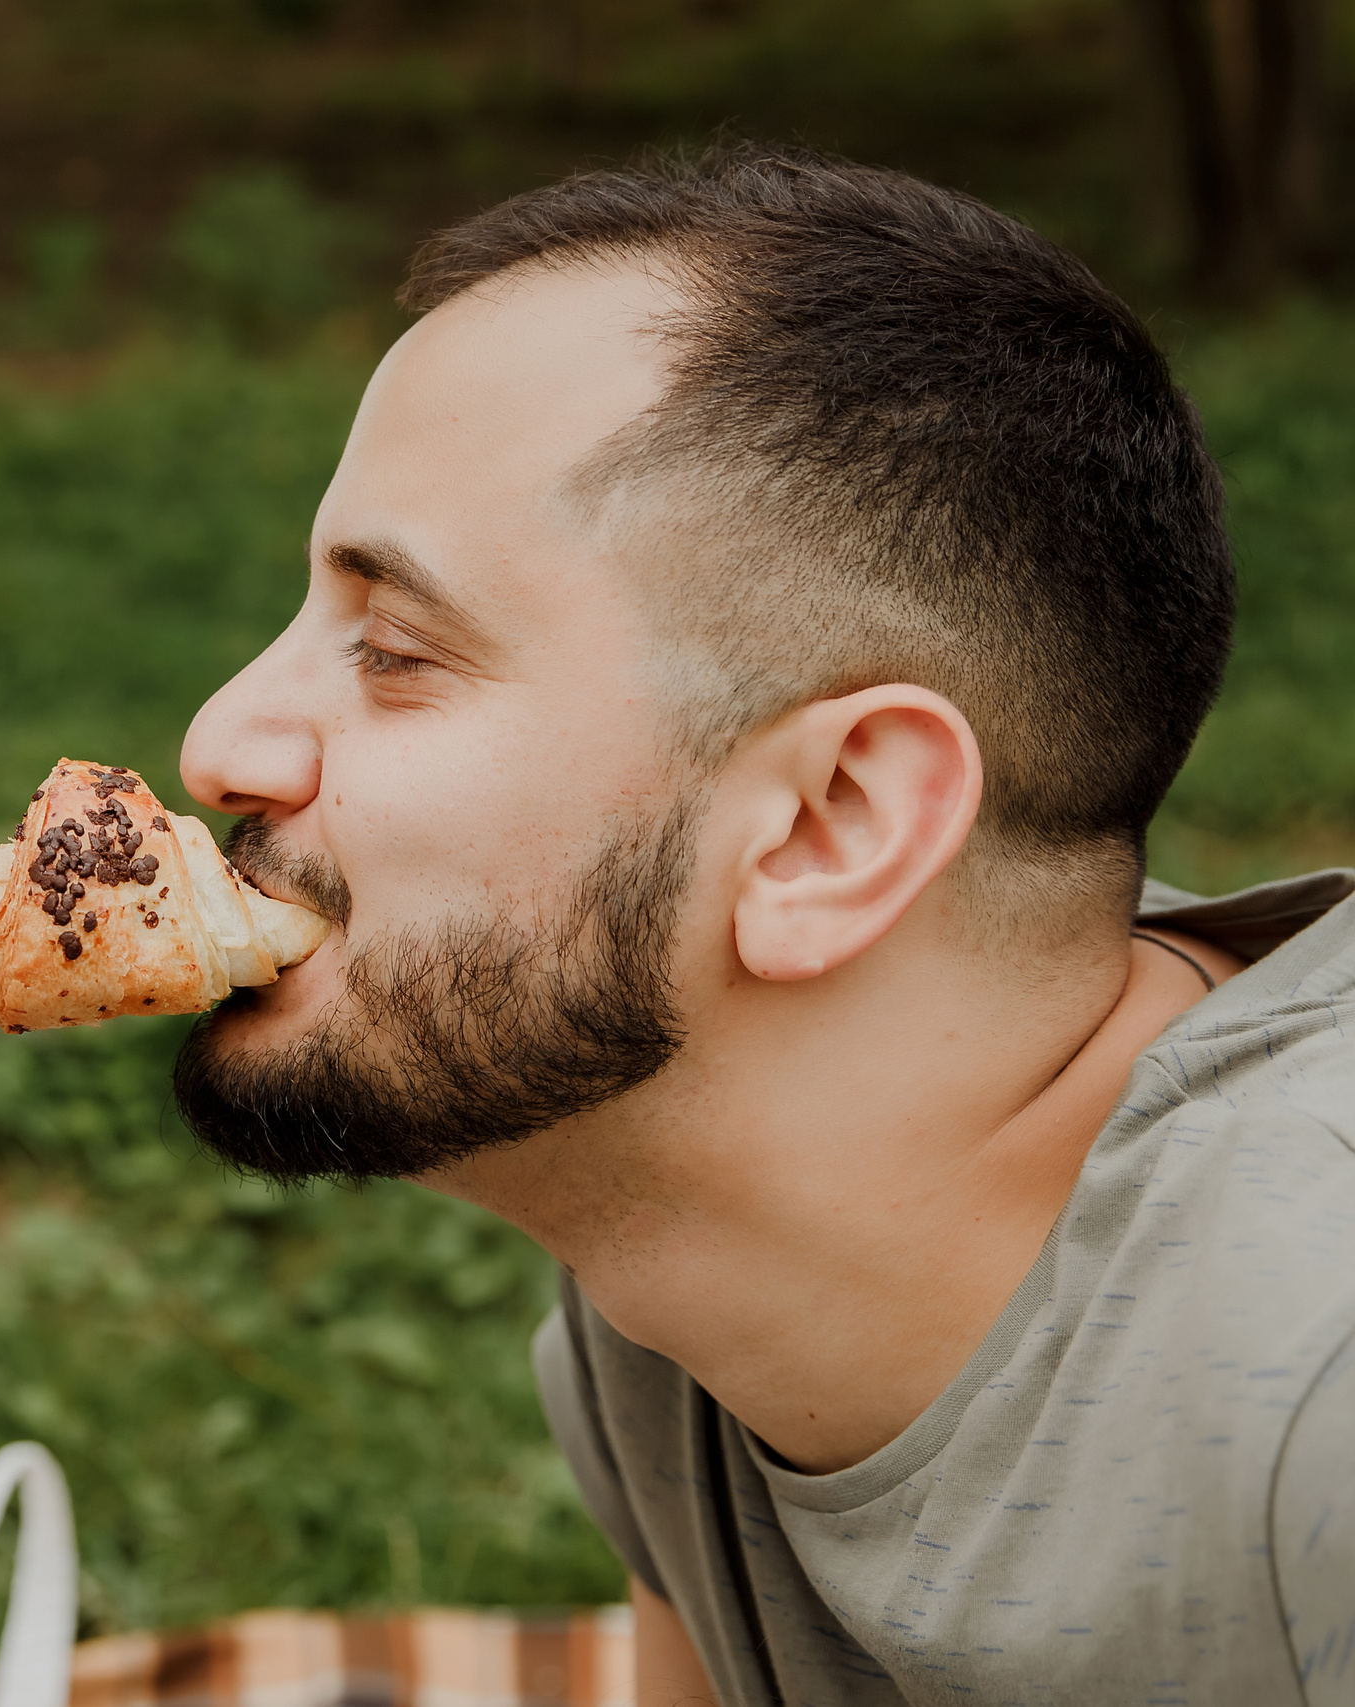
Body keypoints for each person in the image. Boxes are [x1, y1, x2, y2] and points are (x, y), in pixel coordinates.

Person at [170, 144, 1355, 1705]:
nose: (220, 742)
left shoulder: (1313, 1377)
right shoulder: (678, 1269)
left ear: (830, 827)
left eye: (396, 649)